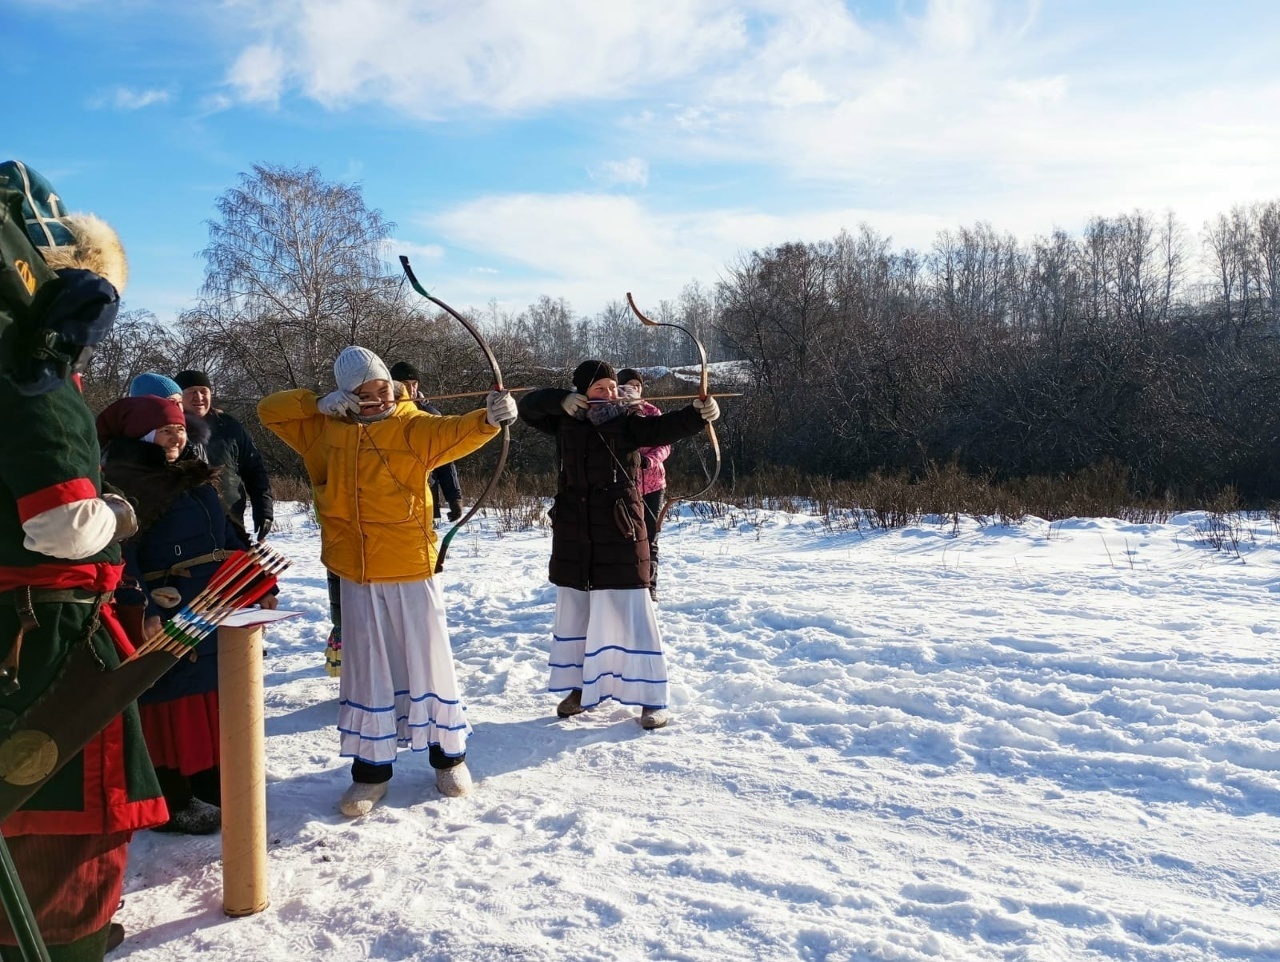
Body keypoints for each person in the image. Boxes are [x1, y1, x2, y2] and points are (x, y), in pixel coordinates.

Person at [0, 160, 165, 960]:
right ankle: (65, 942)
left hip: (20, 629)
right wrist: (119, 514)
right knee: (59, 815)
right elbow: (65, 526)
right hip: (44, 640)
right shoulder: (33, 377)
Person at [258, 346, 516, 817]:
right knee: (367, 671)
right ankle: (370, 773)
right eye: (364, 392)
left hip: (410, 565)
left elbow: (457, 430)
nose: (377, 397)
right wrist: (316, 403)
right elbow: (268, 410)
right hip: (355, 571)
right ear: (345, 395)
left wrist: (490, 417)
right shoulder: (322, 430)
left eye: (382, 388)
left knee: (428, 662)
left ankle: (448, 759)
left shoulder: (413, 425)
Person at [517, 359, 719, 730]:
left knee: (632, 609)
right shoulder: (564, 419)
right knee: (580, 610)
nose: (610, 394)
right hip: (576, 530)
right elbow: (528, 407)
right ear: (581, 393)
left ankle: (651, 697)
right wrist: (560, 399)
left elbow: (663, 428)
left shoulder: (627, 419)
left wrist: (697, 414)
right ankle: (583, 688)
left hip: (620, 528)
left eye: (613, 387)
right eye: (600, 388)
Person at [97, 395, 266, 836]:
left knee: (211, 691)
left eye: (181, 429)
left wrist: (261, 582)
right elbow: (119, 554)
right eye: (166, 429)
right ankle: (169, 795)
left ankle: (209, 778)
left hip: (212, 599)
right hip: (167, 606)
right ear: (141, 435)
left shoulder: (198, 478)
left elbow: (231, 535)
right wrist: (144, 605)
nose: (177, 437)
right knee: (167, 694)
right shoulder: (122, 484)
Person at [172, 370, 274, 542]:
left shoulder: (229, 426)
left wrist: (264, 510)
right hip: (186, 526)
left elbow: (254, 469)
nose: (199, 397)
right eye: (190, 392)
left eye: (203, 391)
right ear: (179, 397)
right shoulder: (170, 430)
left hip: (232, 521)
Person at [616, 368, 670, 602]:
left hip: (653, 484)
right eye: (629, 385)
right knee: (625, 537)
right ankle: (626, 585)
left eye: (638, 385)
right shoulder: (613, 413)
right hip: (624, 486)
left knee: (650, 536)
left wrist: (649, 460)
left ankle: (650, 587)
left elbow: (665, 443)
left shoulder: (652, 412)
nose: (634, 389)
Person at [388, 361, 465, 523]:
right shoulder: (381, 412)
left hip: (425, 494)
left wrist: (454, 497)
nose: (411, 389)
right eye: (404, 384)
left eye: (414, 383)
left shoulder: (430, 414)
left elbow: (444, 459)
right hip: (388, 497)